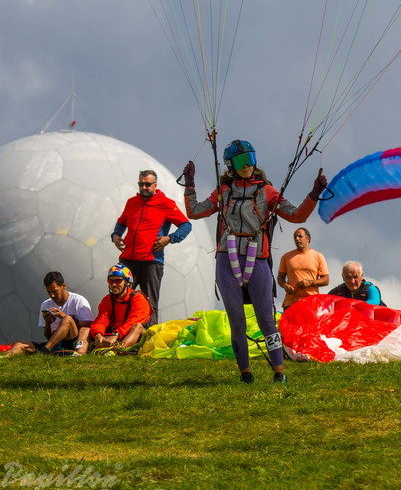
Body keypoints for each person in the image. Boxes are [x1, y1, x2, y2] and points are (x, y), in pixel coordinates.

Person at [182, 139, 326, 384]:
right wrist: (190, 183)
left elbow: (297, 215)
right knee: (236, 320)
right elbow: (194, 211)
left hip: (257, 260)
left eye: (250, 159)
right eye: (240, 161)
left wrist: (314, 194)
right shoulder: (224, 191)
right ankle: (245, 373)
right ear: (230, 165)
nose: (247, 165)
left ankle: (279, 371)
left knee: (266, 320)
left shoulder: (267, 192)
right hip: (227, 260)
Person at [111, 169, 192, 326]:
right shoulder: (132, 202)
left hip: (152, 261)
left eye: (147, 184)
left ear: (155, 185)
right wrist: (115, 235)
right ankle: (117, 338)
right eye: (141, 184)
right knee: (120, 299)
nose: (144, 188)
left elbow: (186, 225)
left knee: (149, 304)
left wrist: (170, 239)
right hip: (127, 260)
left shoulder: (166, 204)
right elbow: (122, 221)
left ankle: (149, 342)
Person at [5, 271, 93, 356]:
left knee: (67, 319)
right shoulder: (45, 304)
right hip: (54, 343)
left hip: (72, 341)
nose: (52, 295)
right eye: (49, 292)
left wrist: (63, 316)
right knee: (19, 344)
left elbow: (87, 326)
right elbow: (48, 336)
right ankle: (5, 358)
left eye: (54, 291)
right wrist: (48, 323)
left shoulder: (78, 300)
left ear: (63, 286)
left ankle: (45, 351)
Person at [88, 264, 152, 354]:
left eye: (118, 281)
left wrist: (116, 334)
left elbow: (134, 321)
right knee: (85, 329)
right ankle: (79, 352)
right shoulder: (107, 300)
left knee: (137, 327)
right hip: (115, 335)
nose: (114, 284)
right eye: (111, 281)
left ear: (127, 282)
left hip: (134, 335)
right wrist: (97, 334)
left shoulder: (138, 298)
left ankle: (115, 351)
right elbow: (101, 320)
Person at [277, 227, 329, 310]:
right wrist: (285, 285)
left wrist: (310, 283)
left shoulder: (318, 256)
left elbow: (326, 280)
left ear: (307, 238)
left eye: (300, 236)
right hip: (290, 303)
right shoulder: (286, 257)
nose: (297, 239)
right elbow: (280, 277)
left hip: (311, 303)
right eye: (295, 237)